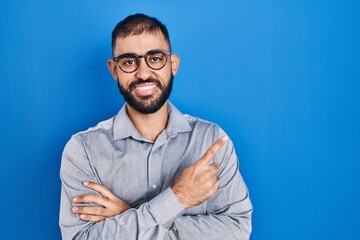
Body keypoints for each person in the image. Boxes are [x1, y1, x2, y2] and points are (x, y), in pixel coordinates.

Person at [59, 13, 252, 240]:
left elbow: (237, 230)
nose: (143, 73)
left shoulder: (211, 140)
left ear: (173, 64)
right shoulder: (83, 150)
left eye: (155, 58)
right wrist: (178, 197)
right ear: (114, 70)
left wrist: (128, 214)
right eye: (129, 62)